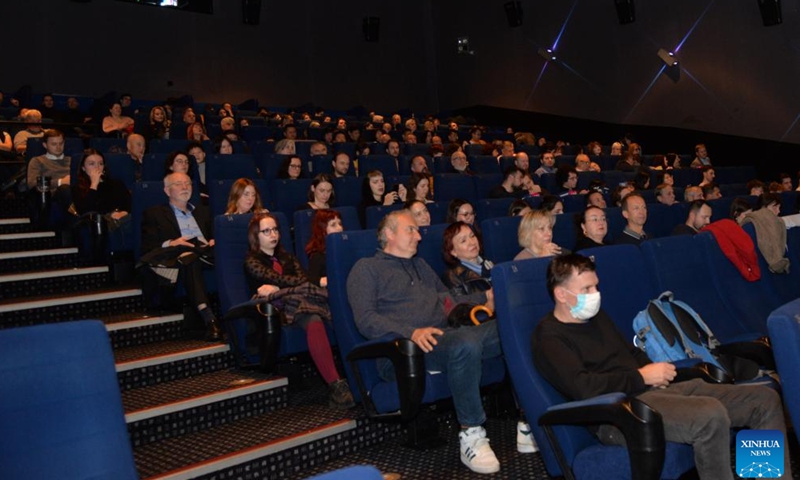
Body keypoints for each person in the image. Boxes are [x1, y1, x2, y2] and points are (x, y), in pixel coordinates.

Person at [533, 253, 790, 480]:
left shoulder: (595, 317)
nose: (595, 295)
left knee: (763, 399)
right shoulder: (549, 337)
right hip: (619, 414)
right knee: (709, 414)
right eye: (586, 289)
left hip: (655, 394)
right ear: (561, 294)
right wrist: (641, 377)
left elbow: (631, 354)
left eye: (596, 286)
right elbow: (583, 388)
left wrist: (656, 371)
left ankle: (767, 476)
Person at [347, 210, 502, 474]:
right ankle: (471, 433)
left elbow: (447, 299)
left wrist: (484, 299)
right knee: (465, 343)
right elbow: (366, 320)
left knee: (510, 328)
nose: (419, 236)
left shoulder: (419, 265)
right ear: (389, 234)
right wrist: (411, 332)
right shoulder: (366, 269)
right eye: (411, 230)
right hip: (402, 352)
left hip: (444, 337)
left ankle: (526, 419)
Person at [245, 212, 354, 408]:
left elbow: (302, 281)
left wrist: (282, 289)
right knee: (312, 315)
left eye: (275, 229)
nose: (273, 234)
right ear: (256, 236)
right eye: (266, 231)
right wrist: (283, 289)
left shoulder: (287, 257)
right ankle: (336, 385)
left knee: (317, 315)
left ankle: (352, 378)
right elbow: (284, 280)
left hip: (299, 303)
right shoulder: (252, 261)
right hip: (274, 310)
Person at [141, 172, 220, 341]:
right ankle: (209, 318)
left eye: (188, 184)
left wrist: (214, 240)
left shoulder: (203, 211)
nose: (185, 187)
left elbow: (213, 235)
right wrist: (171, 243)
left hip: (208, 253)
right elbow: (148, 247)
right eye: (178, 184)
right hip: (181, 255)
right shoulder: (155, 213)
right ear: (167, 191)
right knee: (188, 258)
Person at [71, 149, 131, 219]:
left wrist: (124, 213)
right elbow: (85, 212)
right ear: (83, 168)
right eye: (92, 164)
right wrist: (94, 185)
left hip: (123, 220)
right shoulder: (78, 188)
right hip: (98, 224)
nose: (97, 167)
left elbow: (130, 205)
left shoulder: (117, 184)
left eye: (101, 163)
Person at [441, 222, 494, 294]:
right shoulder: (452, 277)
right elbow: (463, 303)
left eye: (472, 236)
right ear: (453, 252)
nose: (472, 242)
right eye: (463, 241)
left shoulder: (490, 264)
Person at [305, 209, 343, 287]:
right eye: (333, 225)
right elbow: (312, 281)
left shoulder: (347, 249)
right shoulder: (317, 256)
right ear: (322, 230)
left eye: (340, 223)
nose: (340, 228)